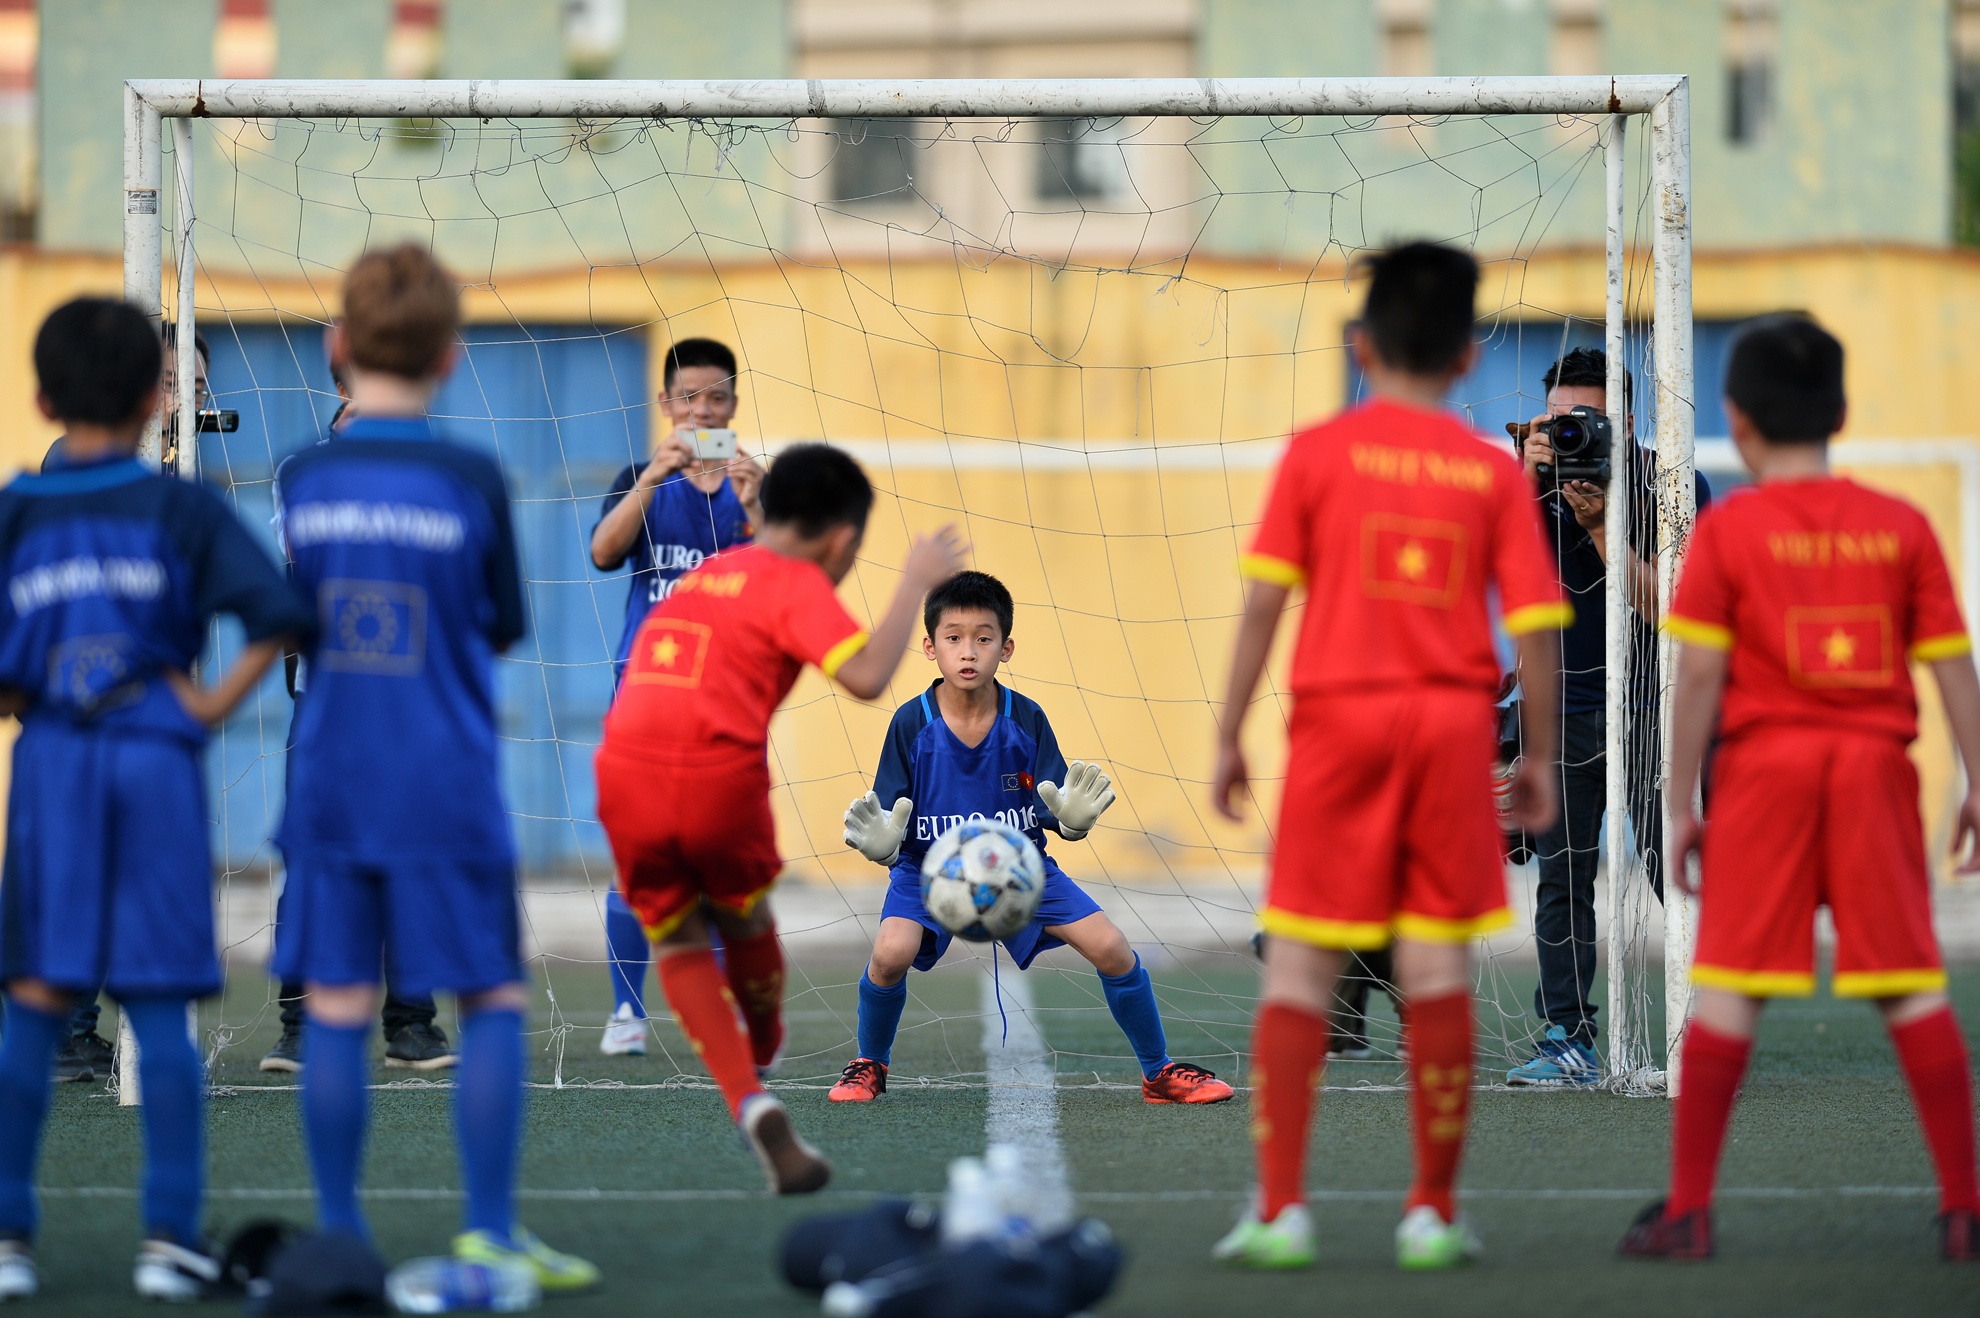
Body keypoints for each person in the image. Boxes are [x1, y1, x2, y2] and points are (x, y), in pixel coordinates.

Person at [1207, 241, 1566, 1271]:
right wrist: (1534, 753)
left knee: (1302, 971)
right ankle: (1430, 1211)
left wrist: (1230, 731)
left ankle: (1281, 1210)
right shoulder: (1486, 474)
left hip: (1336, 728)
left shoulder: (1316, 453)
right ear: (1466, 358)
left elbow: (1265, 602)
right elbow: (1536, 627)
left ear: (1361, 346)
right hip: (1451, 732)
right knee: (1435, 964)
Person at [270, 245, 597, 1291]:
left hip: (329, 770)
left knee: (332, 1002)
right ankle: (491, 1231)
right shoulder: (471, 477)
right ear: (453, 358)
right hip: (443, 775)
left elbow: (288, 609)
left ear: (337, 348)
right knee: (492, 996)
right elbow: (501, 621)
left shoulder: (303, 475)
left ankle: (337, 1238)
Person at [1620, 315, 1980, 1261]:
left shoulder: (1731, 530)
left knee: (1732, 985)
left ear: (1735, 422)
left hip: (1764, 778)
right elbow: (1954, 671)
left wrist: (1681, 804)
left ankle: (1689, 1212)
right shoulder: (1900, 527)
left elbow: (1695, 677)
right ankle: (1964, 1209)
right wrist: (1979, 783)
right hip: (1873, 774)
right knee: (1910, 986)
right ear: (1843, 412)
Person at [0, 297, 312, 1301]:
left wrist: (28, 699)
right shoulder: (182, 507)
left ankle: (9, 1236)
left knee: (36, 999)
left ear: (43, 397)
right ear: (152, 397)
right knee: (158, 1007)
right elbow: (278, 613)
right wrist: (207, 704)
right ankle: (169, 1238)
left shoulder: (19, 506)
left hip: (54, 758)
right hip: (154, 756)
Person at [594, 442, 965, 1193]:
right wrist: (914, 585)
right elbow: (864, 676)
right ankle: (762, 1045)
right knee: (744, 918)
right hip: (714, 777)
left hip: (621, 770)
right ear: (841, 542)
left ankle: (750, 1099)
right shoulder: (793, 581)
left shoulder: (706, 573)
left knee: (678, 940)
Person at [828, 570, 1236, 1105]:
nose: (968, 651)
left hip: (1022, 866)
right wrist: (884, 848)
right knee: (889, 952)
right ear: (930, 647)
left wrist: (1070, 822)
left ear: (1007, 646)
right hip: (929, 869)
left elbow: (1052, 803)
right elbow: (890, 814)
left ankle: (1158, 1072)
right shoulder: (911, 722)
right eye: (953, 638)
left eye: (983, 637)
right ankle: (869, 1065)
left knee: (1112, 946)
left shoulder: (1027, 717)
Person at [1505, 347, 1713, 1086]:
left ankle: (1711, 1029)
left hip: (1659, 708)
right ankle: (1567, 1035)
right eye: (1558, 421)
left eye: (1585, 420)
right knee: (1562, 876)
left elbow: (1673, 609)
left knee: (1674, 865)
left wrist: (1599, 528)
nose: (1572, 435)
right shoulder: (1523, 488)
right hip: (1561, 710)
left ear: (1623, 419)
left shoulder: (1674, 482)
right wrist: (1526, 483)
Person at [260, 358, 456, 1076]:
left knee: (416, 851)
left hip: (413, 699)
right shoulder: (305, 471)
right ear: (340, 388)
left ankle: (412, 1024)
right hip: (329, 697)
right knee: (315, 857)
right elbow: (297, 556)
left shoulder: (446, 471)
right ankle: (300, 1024)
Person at [41, 323, 215, 1085]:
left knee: (137, 870)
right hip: (80, 708)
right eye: (174, 383)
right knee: (80, 866)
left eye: (198, 390)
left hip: (146, 714)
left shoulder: (177, 476)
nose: (185, 401)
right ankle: (68, 1031)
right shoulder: (75, 467)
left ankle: (112, 1030)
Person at [588, 337, 763, 1057]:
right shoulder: (641, 476)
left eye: (715, 398)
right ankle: (628, 1012)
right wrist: (653, 478)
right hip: (645, 703)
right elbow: (602, 553)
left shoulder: (756, 488)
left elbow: (774, 588)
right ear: (665, 404)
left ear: (732, 404)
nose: (701, 410)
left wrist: (752, 504)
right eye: (687, 398)